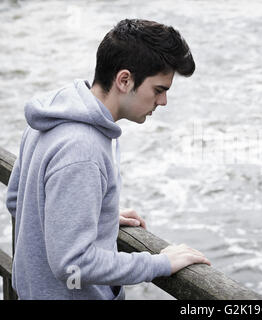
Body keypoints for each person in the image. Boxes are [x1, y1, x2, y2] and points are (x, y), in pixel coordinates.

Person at [5, 19, 210, 300]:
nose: (162, 102)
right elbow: (74, 263)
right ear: (124, 80)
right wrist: (159, 264)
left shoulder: (51, 117)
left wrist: (92, 215)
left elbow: (17, 199)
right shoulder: (82, 150)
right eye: (159, 90)